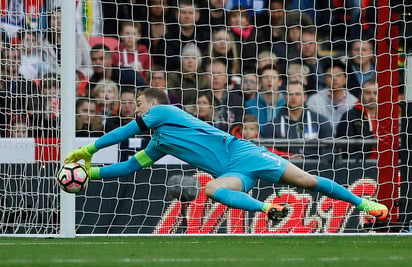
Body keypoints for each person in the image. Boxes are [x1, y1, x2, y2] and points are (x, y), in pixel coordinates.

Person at [65, 88, 389, 222]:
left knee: (305, 180)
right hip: (234, 171)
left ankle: (364, 203)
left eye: (137, 104)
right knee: (211, 189)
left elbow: (125, 132)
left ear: (149, 104)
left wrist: (90, 148)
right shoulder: (159, 143)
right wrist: (87, 174)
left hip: (244, 152)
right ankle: (269, 208)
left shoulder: (162, 110)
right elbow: (126, 168)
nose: (135, 109)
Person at [262, 82, 333, 160]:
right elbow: (268, 152)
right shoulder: (273, 125)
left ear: (305, 97)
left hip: (315, 168)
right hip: (286, 168)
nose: (293, 97)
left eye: (297, 94)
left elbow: (329, 149)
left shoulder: (320, 121)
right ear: (285, 97)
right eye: (290, 94)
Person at [306, 59, 358, 136]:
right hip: (321, 144)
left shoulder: (354, 102)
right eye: (330, 76)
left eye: (338, 75)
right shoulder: (314, 100)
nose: (334, 79)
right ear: (325, 79)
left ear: (345, 79)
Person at [336, 80, 378, 160]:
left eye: (375, 93)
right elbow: (346, 147)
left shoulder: (388, 116)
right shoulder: (350, 116)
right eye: (368, 93)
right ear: (361, 94)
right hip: (359, 164)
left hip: (386, 162)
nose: (372, 96)